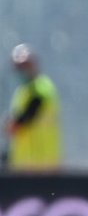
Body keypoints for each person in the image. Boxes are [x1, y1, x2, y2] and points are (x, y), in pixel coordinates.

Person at [5, 43, 62, 172]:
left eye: (25, 65)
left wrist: (11, 124)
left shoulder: (41, 88)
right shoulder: (23, 91)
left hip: (43, 166)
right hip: (24, 166)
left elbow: (21, 121)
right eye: (18, 67)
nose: (22, 71)